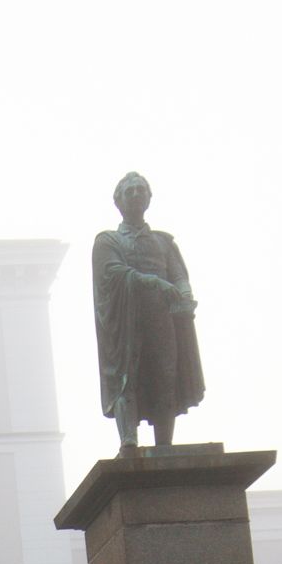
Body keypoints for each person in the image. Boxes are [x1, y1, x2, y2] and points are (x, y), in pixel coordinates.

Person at [94, 172, 205, 452]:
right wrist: (153, 281)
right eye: (129, 191)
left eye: (140, 190)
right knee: (126, 377)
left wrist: (185, 295)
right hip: (126, 323)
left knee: (165, 377)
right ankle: (128, 441)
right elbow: (112, 273)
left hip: (162, 320)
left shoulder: (164, 242)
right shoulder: (107, 241)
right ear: (117, 201)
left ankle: (164, 446)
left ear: (149, 198)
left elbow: (179, 275)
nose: (135, 195)